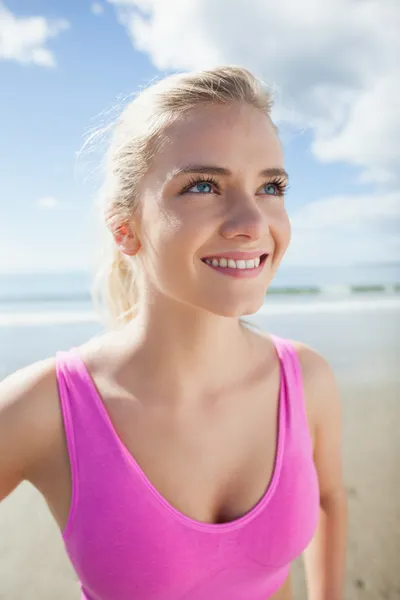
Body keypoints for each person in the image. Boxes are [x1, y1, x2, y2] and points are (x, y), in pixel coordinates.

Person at [0, 66, 347, 600]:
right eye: (203, 185)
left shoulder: (305, 379)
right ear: (125, 229)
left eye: (270, 186)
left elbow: (328, 500)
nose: (252, 222)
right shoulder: (43, 407)